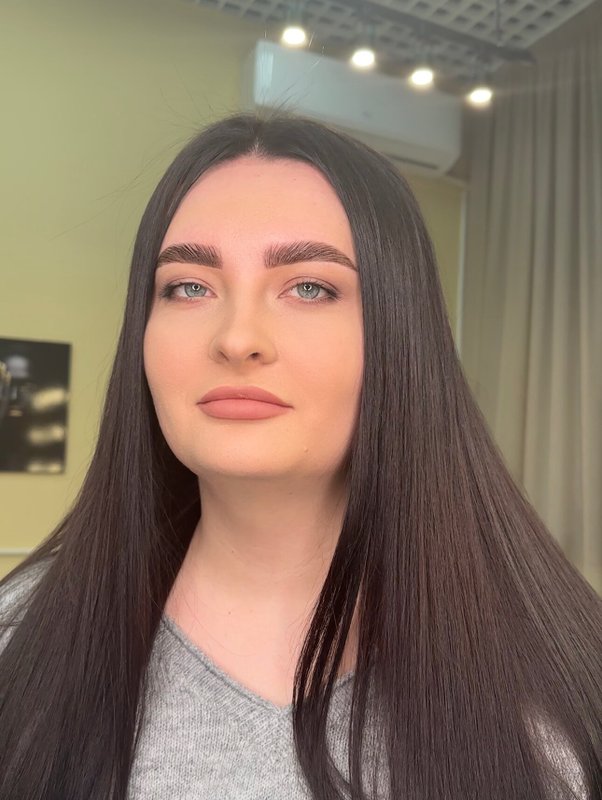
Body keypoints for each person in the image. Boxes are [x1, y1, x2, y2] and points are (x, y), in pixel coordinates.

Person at [0, 110, 600, 800]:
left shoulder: (558, 688)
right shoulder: (21, 637)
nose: (237, 338)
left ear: (401, 338)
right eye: (189, 287)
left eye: (310, 287)